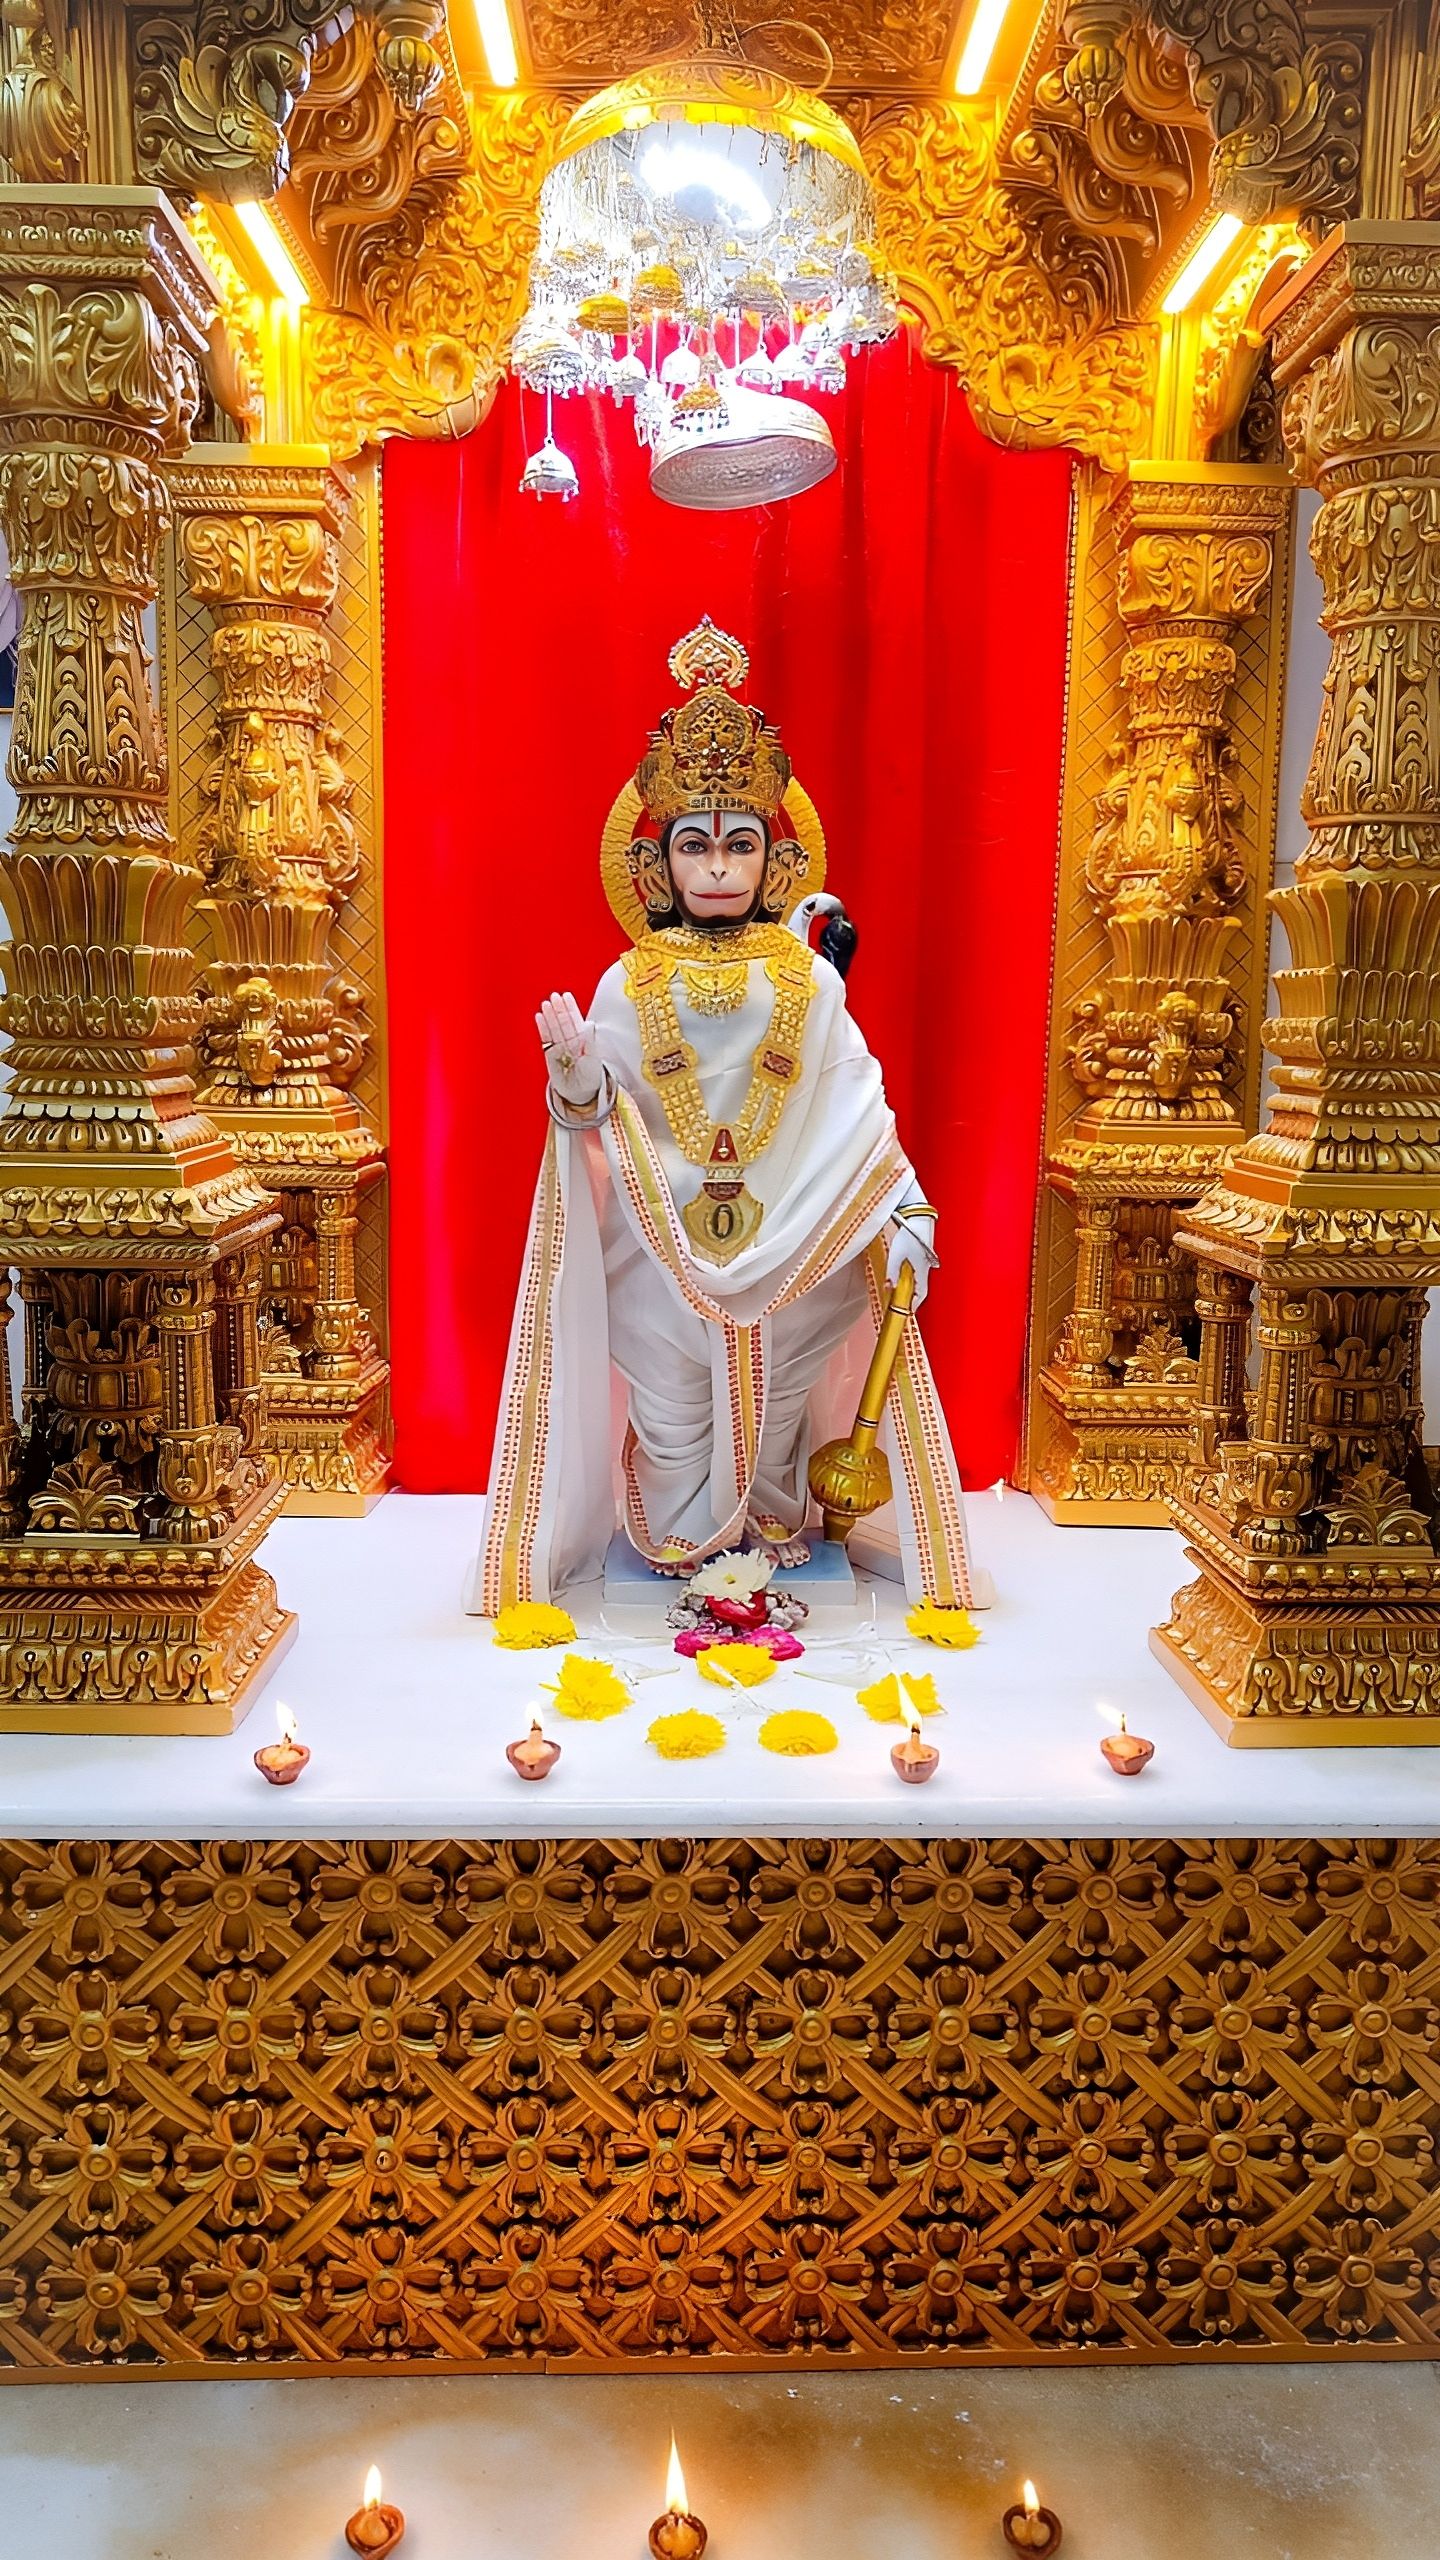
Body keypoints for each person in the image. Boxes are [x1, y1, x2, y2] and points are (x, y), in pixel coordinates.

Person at [472, 620, 973, 1611]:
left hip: (791, 1226)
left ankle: (774, 1526)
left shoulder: (807, 976)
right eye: (694, 846)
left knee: (779, 1399)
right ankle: (683, 1537)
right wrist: (573, 1074)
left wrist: (906, 1207)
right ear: (656, 866)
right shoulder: (627, 979)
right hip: (664, 1237)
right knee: (674, 1411)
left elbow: (853, 1099)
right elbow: (598, 1111)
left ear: (774, 863)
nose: (715, 868)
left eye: (739, 844)